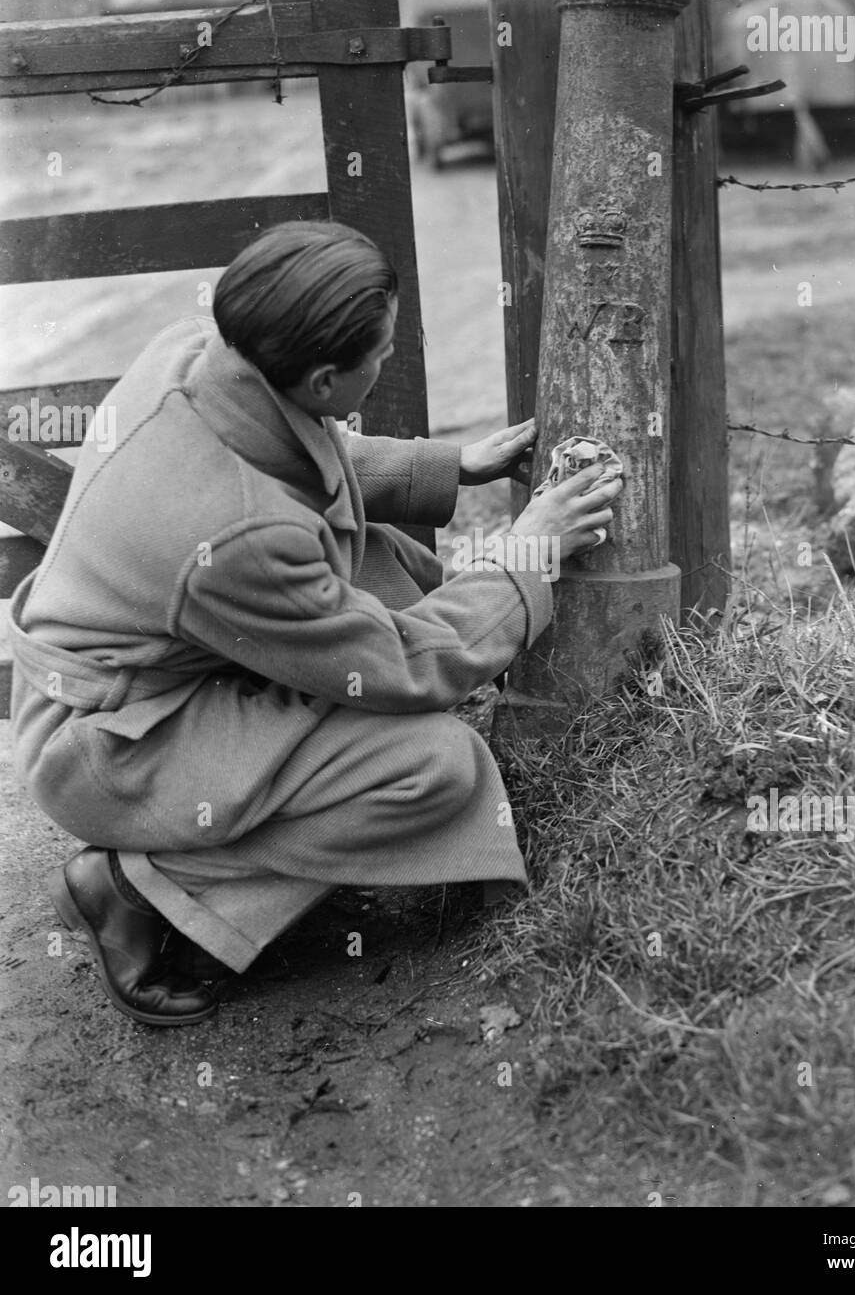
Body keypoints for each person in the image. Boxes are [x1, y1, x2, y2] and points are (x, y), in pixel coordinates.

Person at [7, 220, 623, 1027]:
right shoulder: (237, 538)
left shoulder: (195, 352)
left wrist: (445, 466)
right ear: (328, 378)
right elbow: (401, 665)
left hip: (139, 681)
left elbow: (288, 449)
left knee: (385, 566)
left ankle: (206, 859)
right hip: (111, 746)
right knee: (433, 765)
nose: (388, 361)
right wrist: (528, 554)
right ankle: (141, 890)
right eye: (380, 354)